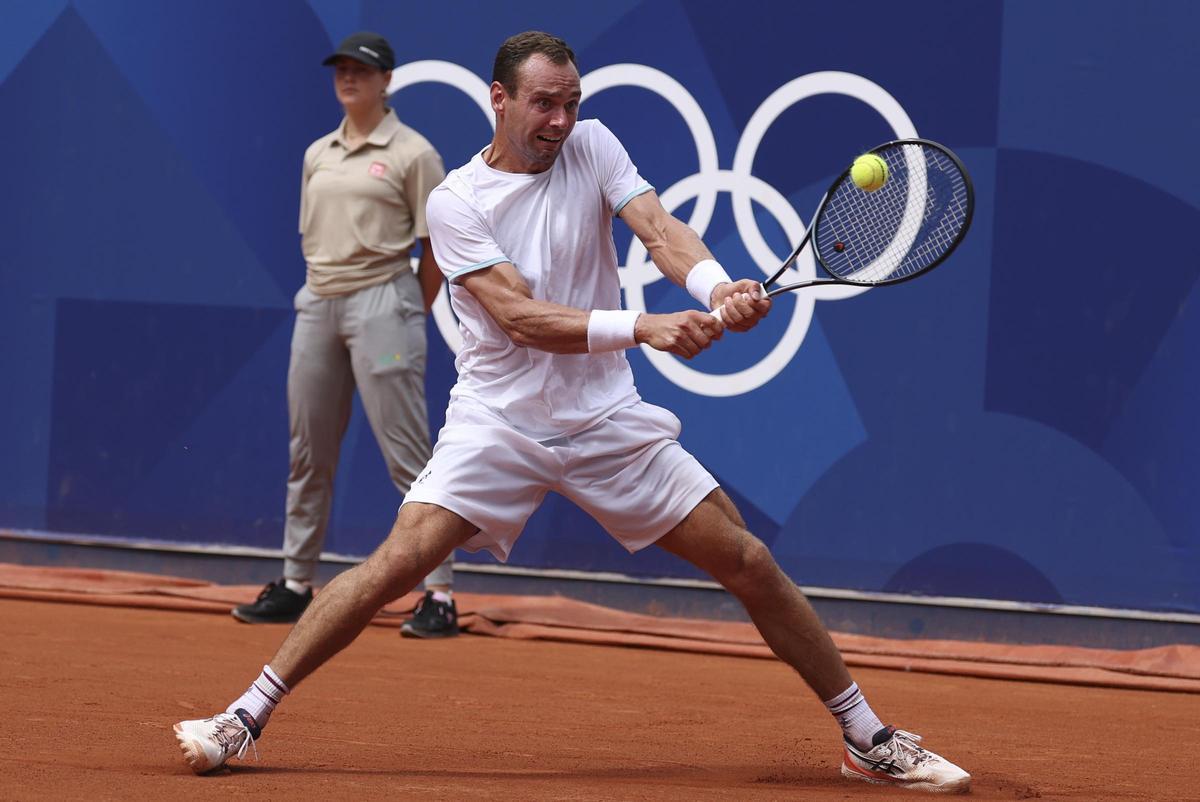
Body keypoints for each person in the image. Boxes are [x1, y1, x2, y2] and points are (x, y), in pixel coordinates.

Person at [176, 31, 971, 793]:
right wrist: (645, 325)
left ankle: (868, 740)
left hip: (604, 420)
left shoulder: (592, 146)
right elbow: (522, 319)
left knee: (749, 561)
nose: (561, 120)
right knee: (396, 564)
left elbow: (659, 230)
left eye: (572, 103)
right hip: (499, 421)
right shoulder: (457, 202)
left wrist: (715, 286)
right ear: (499, 99)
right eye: (544, 104)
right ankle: (244, 716)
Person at [230, 32, 459, 639]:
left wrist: (406, 308)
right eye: (342, 68)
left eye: (362, 70)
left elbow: (435, 247)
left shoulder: (415, 153)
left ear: (387, 81)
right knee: (308, 451)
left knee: (407, 453)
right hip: (318, 303)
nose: (349, 77)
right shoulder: (317, 153)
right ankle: (296, 581)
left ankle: (439, 594)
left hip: (384, 304)